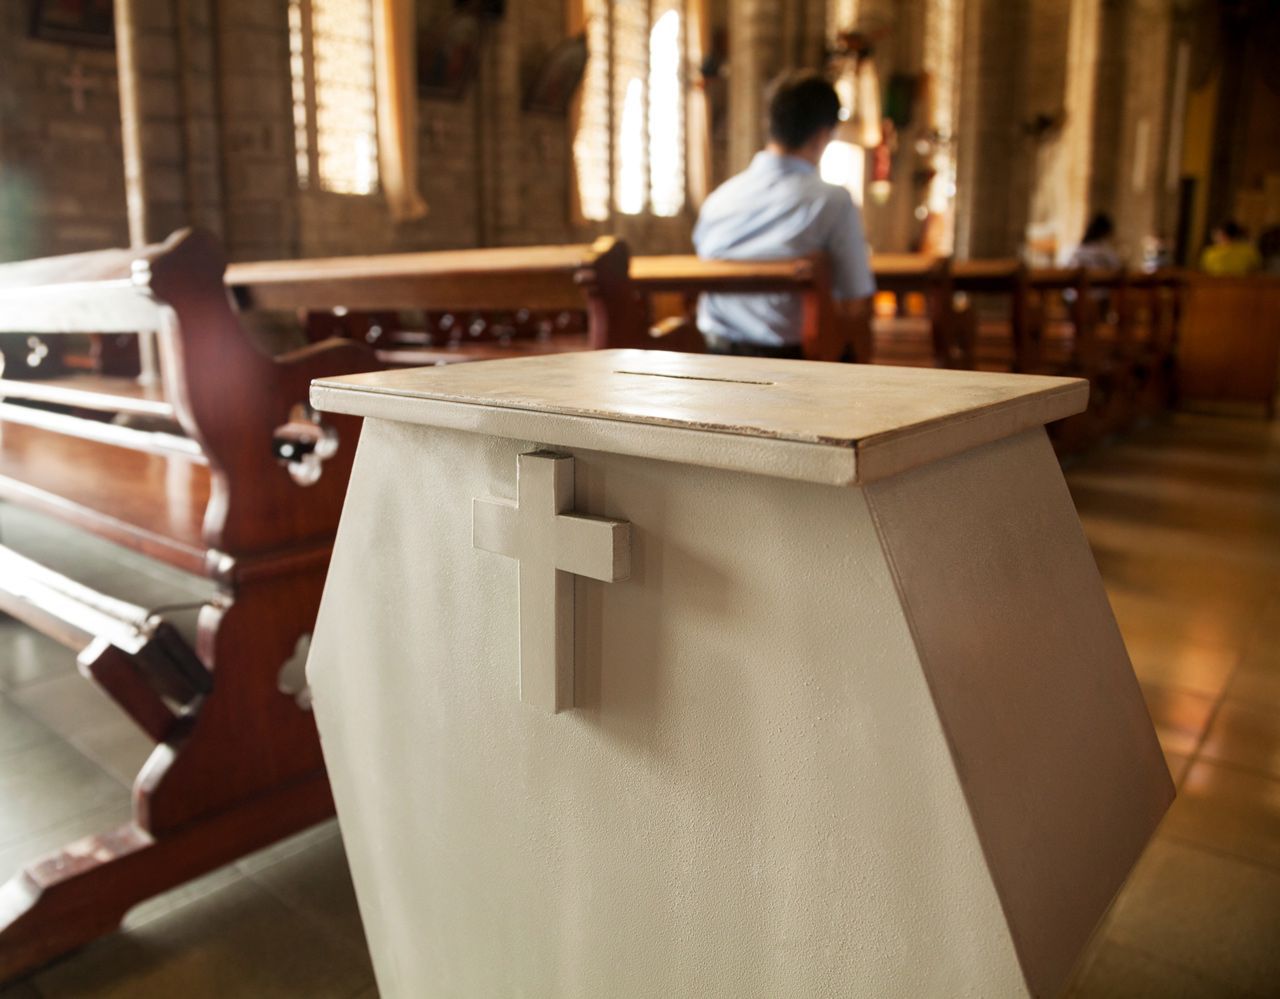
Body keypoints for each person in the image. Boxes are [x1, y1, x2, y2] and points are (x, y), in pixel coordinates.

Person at [693, 70, 875, 360]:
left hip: (715, 356)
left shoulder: (718, 199)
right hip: (796, 365)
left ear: (771, 124)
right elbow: (855, 301)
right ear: (822, 136)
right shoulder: (833, 201)